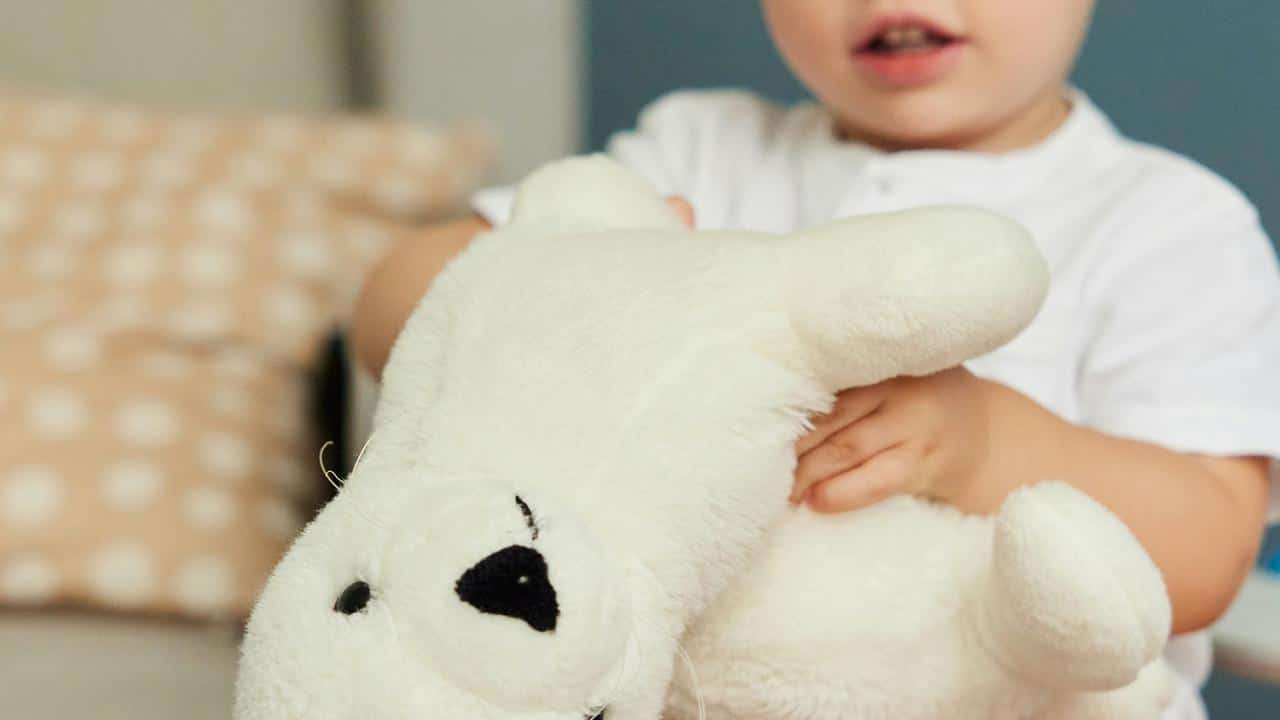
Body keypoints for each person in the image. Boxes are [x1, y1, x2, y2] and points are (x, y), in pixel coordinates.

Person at [352, 2, 1280, 716]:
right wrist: (599, 282)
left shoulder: (1165, 225)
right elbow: (395, 307)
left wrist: (983, 445)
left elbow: (1206, 556)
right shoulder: (702, 150)